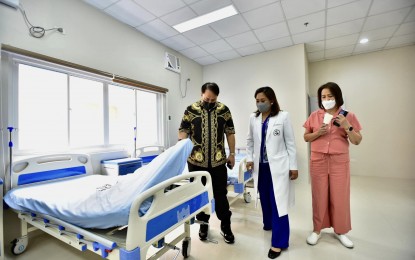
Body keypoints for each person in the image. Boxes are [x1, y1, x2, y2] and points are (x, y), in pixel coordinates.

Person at [303, 82, 362, 248]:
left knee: (340, 197)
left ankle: (341, 231)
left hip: (339, 162)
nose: (327, 99)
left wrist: (347, 126)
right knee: (319, 196)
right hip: (318, 160)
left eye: (330, 96)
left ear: (337, 97)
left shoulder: (348, 115)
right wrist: (318, 133)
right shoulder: (314, 115)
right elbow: (306, 137)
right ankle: (316, 230)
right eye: (323, 97)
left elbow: (357, 141)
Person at [178, 82, 236, 244]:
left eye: (213, 100)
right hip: (196, 163)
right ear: (201, 94)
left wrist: (232, 154)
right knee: (199, 195)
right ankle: (203, 224)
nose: (209, 102)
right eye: (207, 99)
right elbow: (183, 131)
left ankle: (226, 226)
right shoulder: (190, 110)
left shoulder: (223, 110)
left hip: (218, 162)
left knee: (220, 195)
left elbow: (230, 133)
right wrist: (180, 149)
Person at [246, 86, 299, 259]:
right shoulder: (253, 118)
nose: (260, 104)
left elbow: (290, 142)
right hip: (260, 167)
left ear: (271, 100)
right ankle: (268, 224)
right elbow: (250, 141)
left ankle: (279, 242)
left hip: (278, 167)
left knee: (278, 203)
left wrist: (294, 166)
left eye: (263, 100)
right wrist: (248, 158)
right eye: (257, 101)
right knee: (265, 199)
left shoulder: (283, 116)